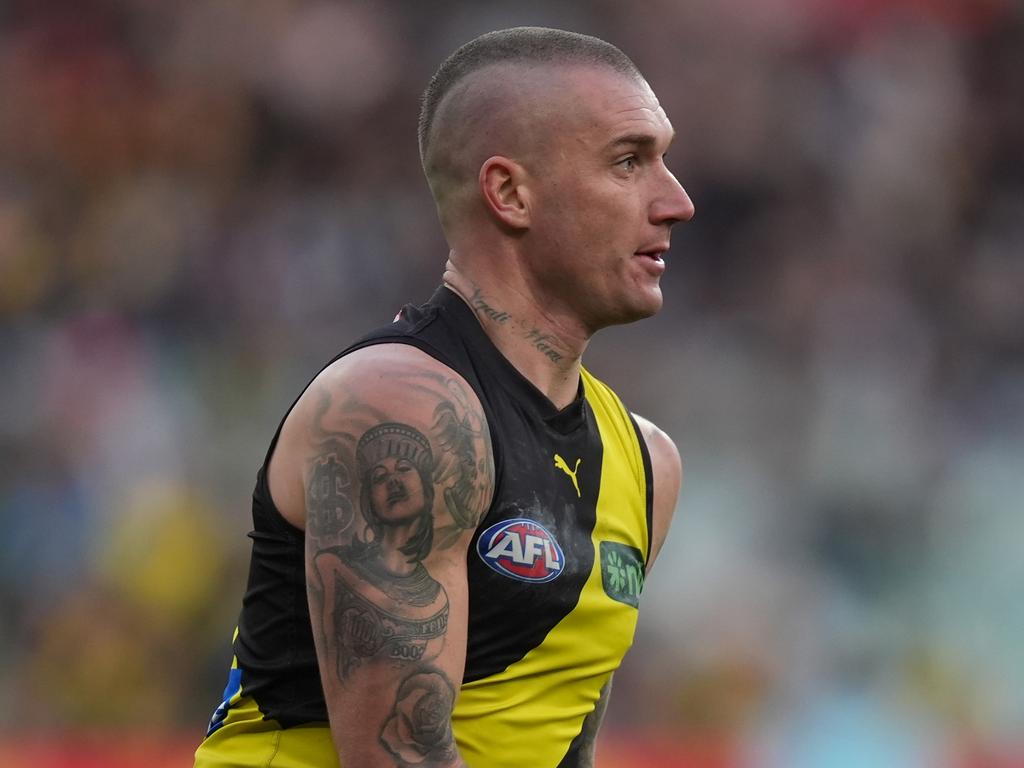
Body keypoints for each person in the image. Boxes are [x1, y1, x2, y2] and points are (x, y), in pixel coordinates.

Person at [194, 25, 694, 768]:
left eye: (664, 162)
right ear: (509, 192)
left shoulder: (645, 463)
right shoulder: (402, 412)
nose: (676, 202)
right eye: (628, 162)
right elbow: (397, 758)